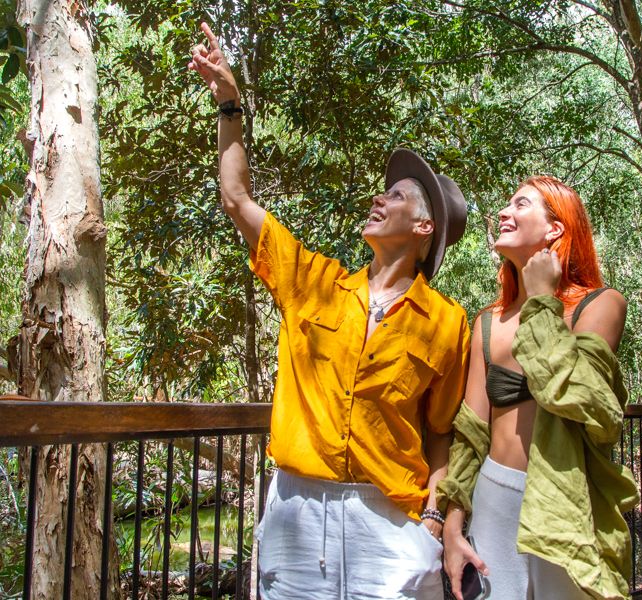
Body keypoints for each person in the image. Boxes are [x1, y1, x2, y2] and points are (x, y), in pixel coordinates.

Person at [188, 23, 470, 599]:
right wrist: (228, 103)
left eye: (395, 196)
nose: (378, 197)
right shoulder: (312, 280)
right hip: (298, 512)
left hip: (389, 521)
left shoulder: (447, 321)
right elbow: (236, 199)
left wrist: (436, 523)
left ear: (423, 228)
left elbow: (440, 433)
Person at [438, 176, 639, 600]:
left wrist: (542, 298)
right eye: (506, 204)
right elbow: (471, 432)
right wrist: (453, 525)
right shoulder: (487, 322)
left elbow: (579, 397)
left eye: (521, 204)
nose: (504, 213)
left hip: (565, 501)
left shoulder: (601, 304)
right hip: (494, 499)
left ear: (555, 229)